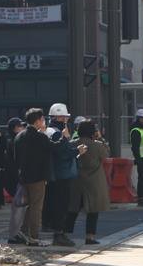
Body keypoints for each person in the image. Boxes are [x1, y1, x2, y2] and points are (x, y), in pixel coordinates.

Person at [10, 108, 53, 245]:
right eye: (42, 119)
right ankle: (33, 237)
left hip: (23, 176)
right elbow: (51, 151)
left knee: (27, 206)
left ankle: (23, 231)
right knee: (36, 207)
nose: (44, 121)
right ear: (38, 121)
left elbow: (15, 158)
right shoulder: (41, 137)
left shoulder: (19, 136)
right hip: (38, 177)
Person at [66, 120, 111, 245]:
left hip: (76, 181)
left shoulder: (73, 144)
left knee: (73, 209)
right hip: (94, 181)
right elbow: (106, 154)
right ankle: (90, 237)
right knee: (93, 211)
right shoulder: (97, 145)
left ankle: (65, 234)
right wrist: (101, 138)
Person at [45, 105, 79, 245]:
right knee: (62, 205)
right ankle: (59, 234)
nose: (65, 119)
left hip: (54, 173)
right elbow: (63, 153)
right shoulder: (57, 133)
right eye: (64, 117)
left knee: (54, 204)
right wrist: (76, 151)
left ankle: (57, 231)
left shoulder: (48, 130)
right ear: (57, 117)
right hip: (62, 173)